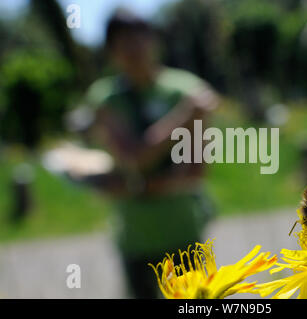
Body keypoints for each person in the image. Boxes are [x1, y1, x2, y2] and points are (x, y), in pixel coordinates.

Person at [82, 9, 218, 298]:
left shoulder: (187, 87)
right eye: (123, 41)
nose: (133, 48)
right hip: (135, 237)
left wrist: (136, 186)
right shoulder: (105, 97)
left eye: (139, 38)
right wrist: (186, 116)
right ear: (110, 51)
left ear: (154, 40)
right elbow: (131, 158)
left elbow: (196, 169)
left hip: (183, 231)